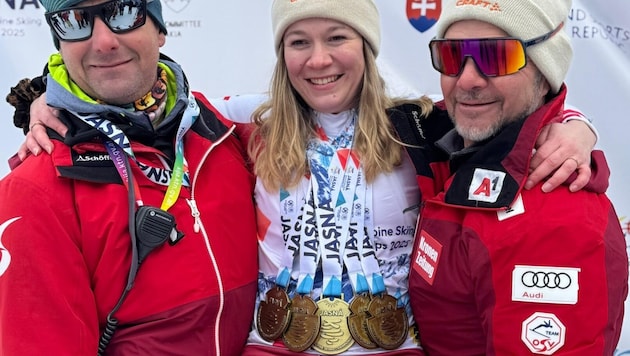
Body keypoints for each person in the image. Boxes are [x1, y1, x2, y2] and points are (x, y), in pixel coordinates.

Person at [4, 0, 599, 355]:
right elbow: (142, 103)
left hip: (395, 344)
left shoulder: (419, 126)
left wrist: (575, 126)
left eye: (338, 37)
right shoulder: (236, 126)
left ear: (365, 49)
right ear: (281, 53)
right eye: (299, 42)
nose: (319, 59)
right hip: (274, 345)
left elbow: (503, 120)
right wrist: (44, 100)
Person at [0, 0, 258, 355]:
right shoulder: (35, 189)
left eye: (123, 12)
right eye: (74, 21)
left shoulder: (218, 130)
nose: (104, 42)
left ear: (160, 28)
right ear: (59, 42)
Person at [404, 0, 629, 355]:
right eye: (450, 56)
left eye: (497, 58)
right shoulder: (445, 142)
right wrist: (579, 122)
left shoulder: (557, 216)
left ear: (544, 75)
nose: (467, 80)